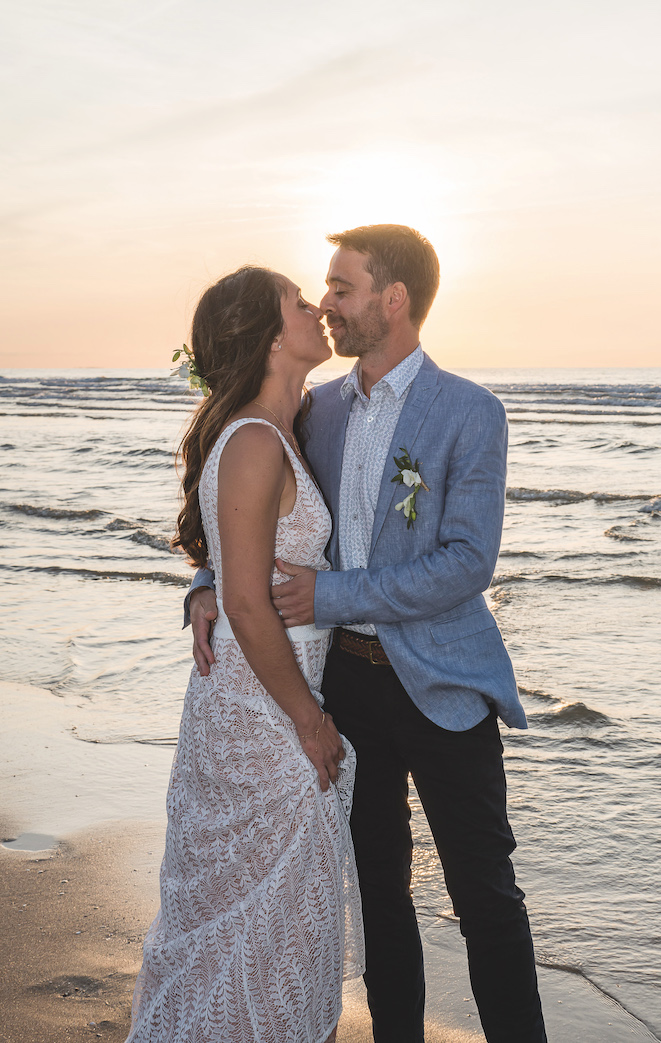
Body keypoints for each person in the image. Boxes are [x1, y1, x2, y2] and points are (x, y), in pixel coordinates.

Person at [189, 226, 547, 1043]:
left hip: (446, 687)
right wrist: (209, 584)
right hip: (346, 689)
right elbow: (256, 515)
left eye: (342, 288)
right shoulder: (314, 410)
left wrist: (332, 594)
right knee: (379, 892)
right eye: (321, 290)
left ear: (394, 300)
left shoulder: (471, 411)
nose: (326, 304)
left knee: (485, 894)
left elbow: (466, 562)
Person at [126, 266, 364, 1043]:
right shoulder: (257, 440)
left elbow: (230, 573)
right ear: (269, 337)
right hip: (263, 717)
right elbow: (246, 601)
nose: (314, 309)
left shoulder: (277, 429)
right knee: (258, 928)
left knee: (264, 927)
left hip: (263, 702)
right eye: (298, 302)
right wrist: (310, 722)